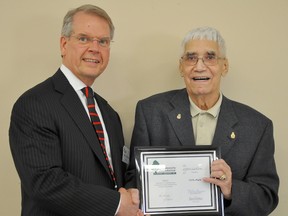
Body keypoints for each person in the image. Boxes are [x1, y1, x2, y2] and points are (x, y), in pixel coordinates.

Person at [125, 27, 279, 215]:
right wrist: (138, 193)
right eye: (191, 58)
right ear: (181, 67)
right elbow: (134, 176)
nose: (199, 66)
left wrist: (231, 189)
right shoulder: (150, 111)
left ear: (225, 66)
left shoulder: (257, 126)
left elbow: (266, 198)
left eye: (210, 57)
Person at [9, 4, 141, 216]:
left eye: (103, 41)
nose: (95, 48)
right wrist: (117, 204)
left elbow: (117, 179)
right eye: (84, 38)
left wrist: (135, 196)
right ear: (63, 44)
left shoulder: (108, 114)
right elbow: (45, 182)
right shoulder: (34, 104)